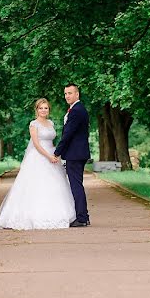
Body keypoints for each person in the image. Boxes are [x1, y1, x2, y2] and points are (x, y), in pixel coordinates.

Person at [0, 98, 76, 230]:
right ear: (37, 110)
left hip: (52, 155)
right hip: (39, 157)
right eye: (41, 108)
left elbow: (52, 142)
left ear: (49, 110)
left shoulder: (51, 123)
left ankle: (57, 213)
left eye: (46, 108)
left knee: (55, 185)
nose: (43, 110)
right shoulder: (33, 124)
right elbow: (36, 144)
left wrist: (55, 155)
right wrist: (48, 156)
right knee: (37, 185)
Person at [54, 83, 91, 227]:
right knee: (77, 184)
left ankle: (82, 218)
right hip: (78, 153)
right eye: (65, 94)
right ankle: (84, 216)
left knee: (76, 186)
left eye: (70, 93)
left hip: (75, 154)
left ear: (77, 94)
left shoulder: (76, 110)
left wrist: (58, 152)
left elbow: (68, 134)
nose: (67, 96)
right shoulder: (77, 109)